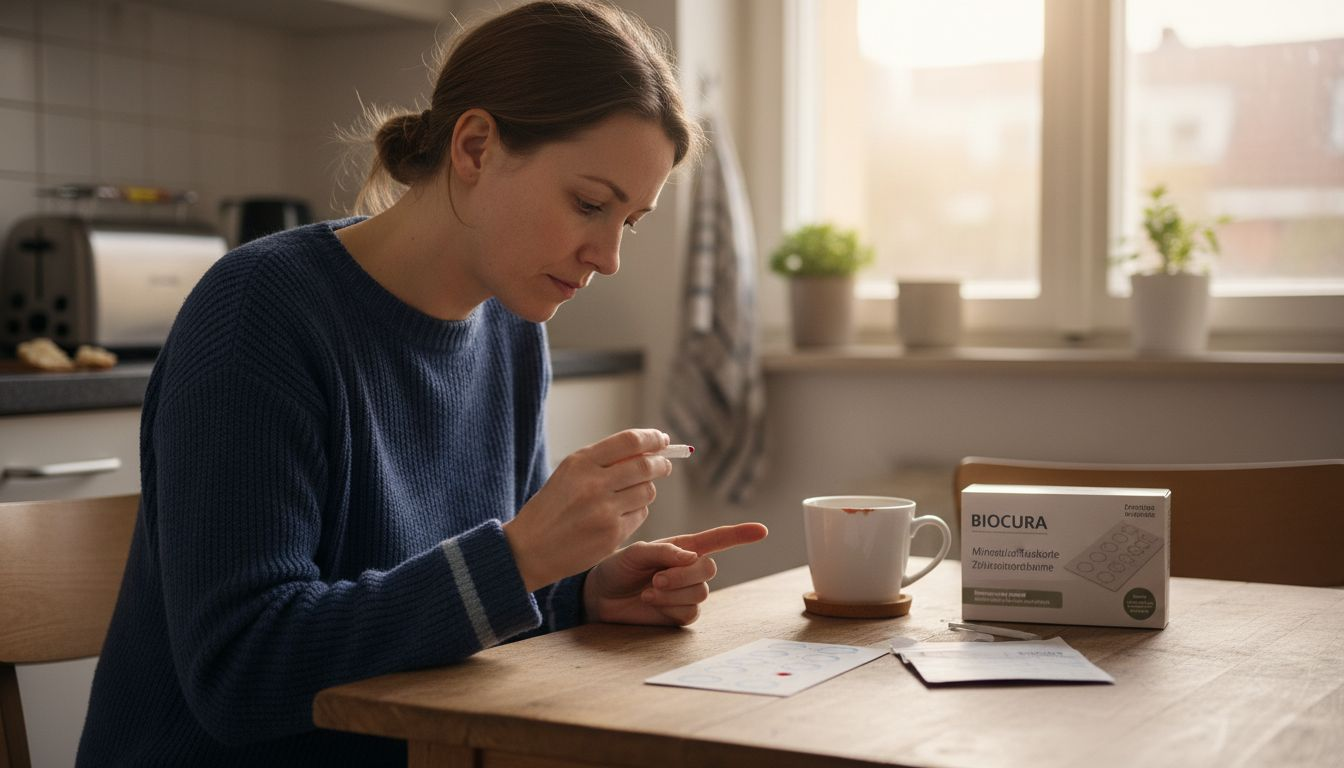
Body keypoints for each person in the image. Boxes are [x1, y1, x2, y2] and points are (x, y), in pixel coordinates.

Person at [76, 2, 767, 764]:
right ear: (474, 147)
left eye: (628, 221)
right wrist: (521, 559)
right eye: (589, 204)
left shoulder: (513, 331)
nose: (606, 256)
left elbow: (452, 604)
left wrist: (581, 593)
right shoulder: (262, 312)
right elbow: (242, 672)